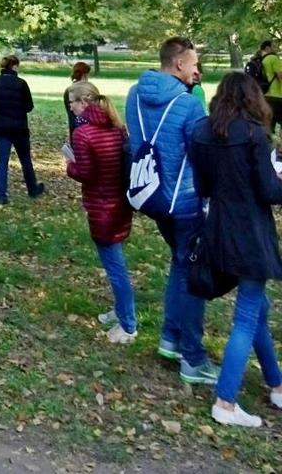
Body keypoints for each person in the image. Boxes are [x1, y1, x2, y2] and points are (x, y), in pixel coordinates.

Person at [190, 72, 282, 428]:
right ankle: (225, 402)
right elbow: (270, 192)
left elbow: (202, 186)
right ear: (252, 98)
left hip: (218, 230)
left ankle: (276, 385)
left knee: (257, 308)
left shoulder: (202, 132)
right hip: (250, 234)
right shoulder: (255, 136)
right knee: (246, 316)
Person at [125, 35, 216, 384]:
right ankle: (192, 357)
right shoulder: (189, 103)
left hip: (149, 195)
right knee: (191, 275)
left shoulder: (134, 93)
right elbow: (200, 151)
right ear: (178, 64)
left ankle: (170, 338)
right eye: (194, 65)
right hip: (184, 201)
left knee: (179, 266)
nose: (197, 72)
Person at [64, 82, 137, 343]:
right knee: (115, 262)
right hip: (120, 203)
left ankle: (128, 324)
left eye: (72, 101)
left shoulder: (83, 134)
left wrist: (70, 165)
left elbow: (86, 173)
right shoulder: (117, 127)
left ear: (84, 102)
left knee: (116, 267)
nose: (70, 107)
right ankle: (120, 311)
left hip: (101, 207)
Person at [0, 55, 45, 204]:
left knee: (2, 161)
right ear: (15, 66)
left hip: (0, 127)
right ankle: (32, 189)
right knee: (25, 160)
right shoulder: (21, 83)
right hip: (19, 128)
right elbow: (29, 106)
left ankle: (1, 195)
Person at [260, 41, 282, 131]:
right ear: (267, 48)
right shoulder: (273, 58)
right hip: (278, 96)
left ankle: (269, 143)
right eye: (274, 46)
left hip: (265, 95)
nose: (276, 49)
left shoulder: (261, 59)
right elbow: (280, 76)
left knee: (269, 125)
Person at [64, 61, 92, 131]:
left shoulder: (69, 90)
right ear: (84, 75)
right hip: (86, 128)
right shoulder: (86, 90)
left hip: (73, 126)